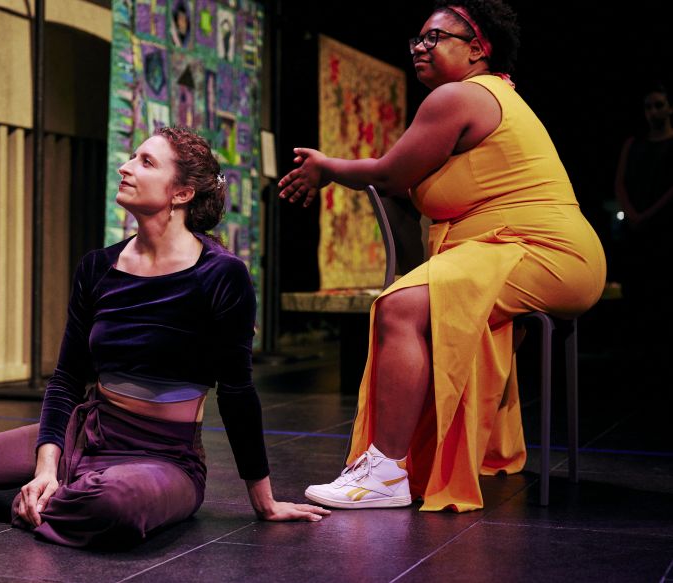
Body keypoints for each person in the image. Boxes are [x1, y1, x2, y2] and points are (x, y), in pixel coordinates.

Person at [0, 126, 329, 547]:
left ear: (181, 193)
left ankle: (11, 505)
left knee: (115, 505)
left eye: (145, 161)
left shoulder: (221, 274)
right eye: (131, 156)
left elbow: (236, 392)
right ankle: (53, 491)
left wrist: (264, 501)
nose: (125, 166)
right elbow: (66, 377)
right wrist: (47, 466)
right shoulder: (98, 267)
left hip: (163, 458)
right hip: (88, 431)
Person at [278, 0, 606, 512]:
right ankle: (419, 460)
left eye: (435, 38)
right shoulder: (485, 99)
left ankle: (384, 472)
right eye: (417, 40)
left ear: (478, 48)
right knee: (419, 306)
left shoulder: (461, 96)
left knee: (399, 306)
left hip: (542, 249)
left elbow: (388, 174)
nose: (419, 48)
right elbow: (408, 185)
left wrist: (326, 166)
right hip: (533, 248)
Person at [614, 83, 673, 366]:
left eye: (659, 105)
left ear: (670, 108)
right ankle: (634, 354)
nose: (653, 112)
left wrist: (648, 215)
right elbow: (620, 182)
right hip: (635, 231)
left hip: (662, 231)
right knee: (633, 290)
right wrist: (632, 214)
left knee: (660, 289)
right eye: (649, 107)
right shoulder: (633, 144)